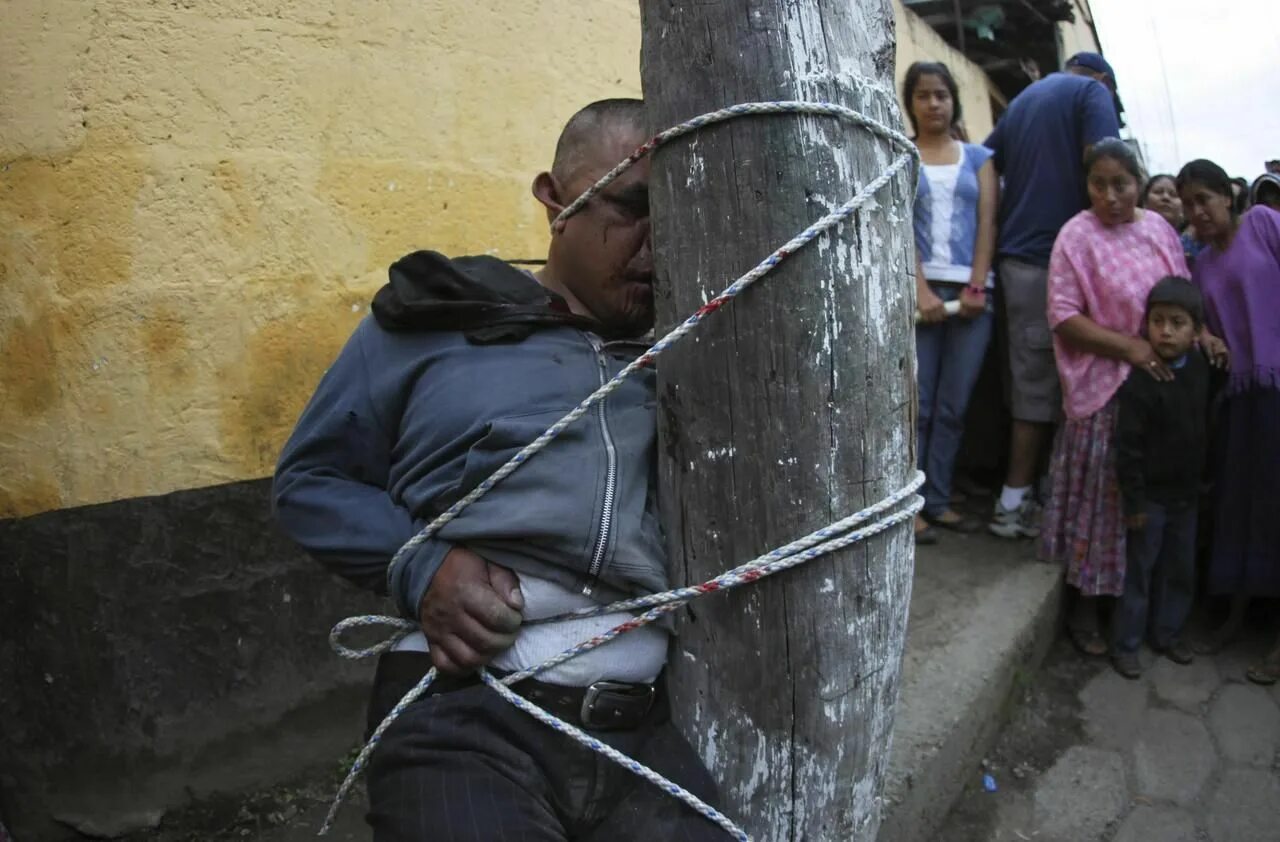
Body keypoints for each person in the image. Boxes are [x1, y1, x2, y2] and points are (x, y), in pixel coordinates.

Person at [274, 99, 722, 840]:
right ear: (555, 199)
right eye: (634, 206)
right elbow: (310, 483)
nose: (656, 242)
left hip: (647, 729)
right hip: (465, 714)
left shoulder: (693, 355)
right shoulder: (435, 322)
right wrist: (420, 566)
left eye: (680, 218)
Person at [1040, 139, 1191, 657]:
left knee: (1142, 504)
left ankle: (1133, 612)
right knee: (1100, 506)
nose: (1110, 196)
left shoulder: (1158, 231)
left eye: (1121, 184)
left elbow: (1182, 294)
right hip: (1103, 389)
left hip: (1158, 391)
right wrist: (1129, 347)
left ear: (1139, 182)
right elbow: (1062, 314)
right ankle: (1085, 609)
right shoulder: (1075, 237)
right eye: (1098, 185)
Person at [984, 52, 1121, 538]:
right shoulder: (1092, 94)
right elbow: (1105, 159)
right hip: (1054, 261)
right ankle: (1014, 506)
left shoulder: (1020, 101)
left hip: (1014, 263)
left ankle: (1030, 496)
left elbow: (984, 165)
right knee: (1046, 391)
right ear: (1104, 80)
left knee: (1025, 382)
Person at [1178, 159, 1280, 684]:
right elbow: (1203, 329)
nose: (1198, 212)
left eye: (1205, 199)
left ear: (1227, 195)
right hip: (1244, 398)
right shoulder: (1202, 268)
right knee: (1245, 508)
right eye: (1189, 203)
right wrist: (1206, 337)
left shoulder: (1264, 222)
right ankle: (1238, 615)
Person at [904, 61, 999, 543]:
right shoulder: (903, 156)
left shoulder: (980, 159)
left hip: (972, 298)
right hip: (922, 296)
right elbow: (898, 225)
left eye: (941, 94)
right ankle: (911, 507)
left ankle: (938, 500)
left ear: (953, 100)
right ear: (911, 103)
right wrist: (920, 288)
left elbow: (987, 224)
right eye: (923, 95)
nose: (933, 103)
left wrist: (978, 285)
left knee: (953, 408)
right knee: (916, 407)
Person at [1112, 278, 1213, 678]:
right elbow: (1128, 448)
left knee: (1179, 570)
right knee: (1139, 572)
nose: (1166, 331)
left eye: (1177, 323)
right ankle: (1126, 645)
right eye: (1157, 321)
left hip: (1186, 497)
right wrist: (1134, 502)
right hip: (1150, 500)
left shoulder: (1202, 369)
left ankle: (1167, 634)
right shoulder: (1141, 381)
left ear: (1195, 331)